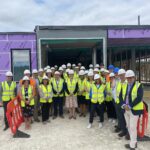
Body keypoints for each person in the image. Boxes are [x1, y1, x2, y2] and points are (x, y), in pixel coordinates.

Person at [120, 70, 144, 150]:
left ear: (134, 77)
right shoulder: (124, 85)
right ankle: (133, 142)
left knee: (133, 127)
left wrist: (129, 105)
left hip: (134, 110)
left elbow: (139, 98)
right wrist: (123, 105)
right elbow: (120, 96)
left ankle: (133, 145)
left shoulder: (139, 85)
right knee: (129, 126)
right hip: (125, 109)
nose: (129, 79)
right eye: (128, 78)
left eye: (131, 78)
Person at [115, 69, 128, 137]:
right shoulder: (119, 82)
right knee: (119, 116)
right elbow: (117, 92)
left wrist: (126, 103)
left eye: (122, 75)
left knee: (124, 117)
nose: (121, 76)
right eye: (120, 75)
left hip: (124, 103)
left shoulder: (128, 83)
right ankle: (120, 127)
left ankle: (124, 131)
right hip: (118, 102)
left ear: (125, 74)